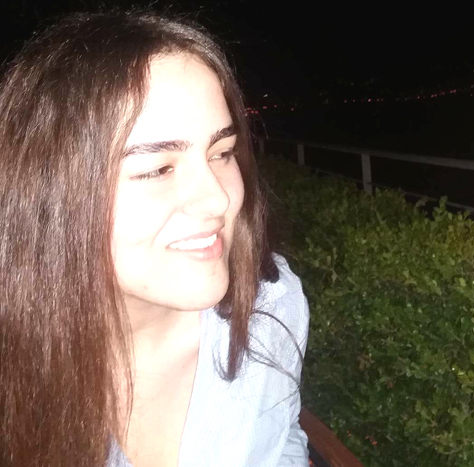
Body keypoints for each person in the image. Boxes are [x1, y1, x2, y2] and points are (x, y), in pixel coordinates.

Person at [0, 10, 310, 467]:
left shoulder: (270, 309)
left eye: (222, 152)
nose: (218, 199)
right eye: (157, 169)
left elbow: (279, 442)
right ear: (47, 194)